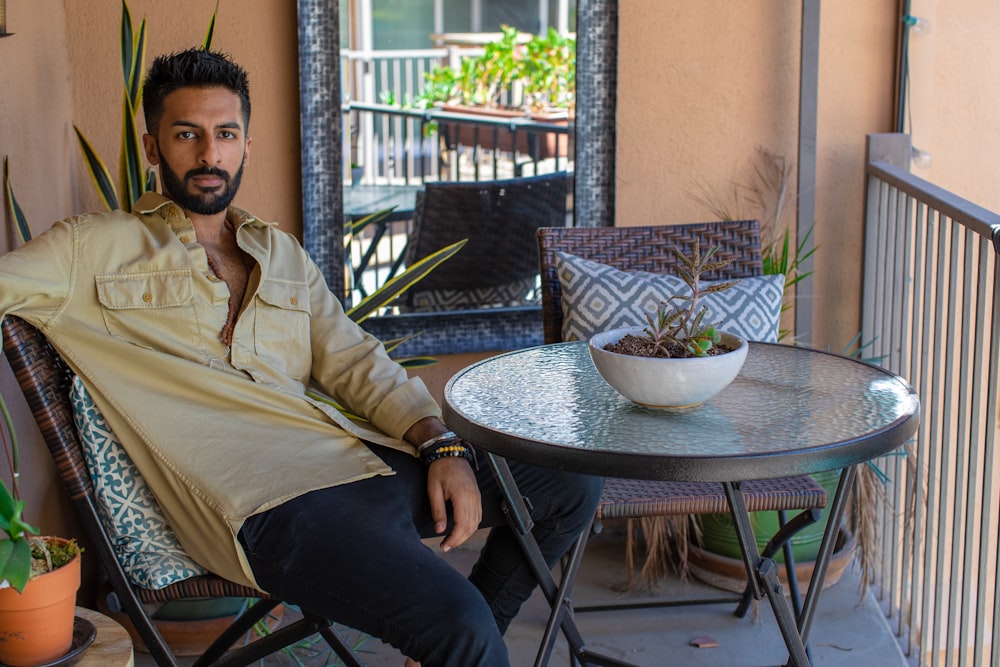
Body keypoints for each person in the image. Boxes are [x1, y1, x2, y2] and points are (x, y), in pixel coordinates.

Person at [0, 48, 601, 666]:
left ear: (245, 147)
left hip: (357, 459)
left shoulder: (278, 251)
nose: (209, 154)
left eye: (225, 134)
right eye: (187, 135)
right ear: (153, 147)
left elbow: (354, 359)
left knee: (566, 482)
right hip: (271, 505)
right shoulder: (89, 250)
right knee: (458, 623)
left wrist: (438, 444)